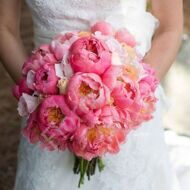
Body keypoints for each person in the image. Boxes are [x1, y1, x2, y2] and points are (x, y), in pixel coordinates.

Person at [0, 0, 183, 190]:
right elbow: (5, 29)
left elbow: (170, 28)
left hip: (127, 111)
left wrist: (132, 97)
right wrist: (40, 95)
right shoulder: (45, 102)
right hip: (51, 115)